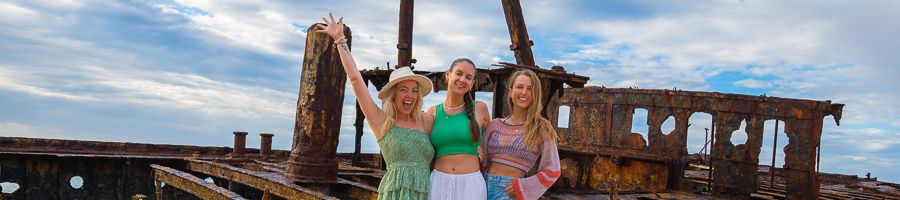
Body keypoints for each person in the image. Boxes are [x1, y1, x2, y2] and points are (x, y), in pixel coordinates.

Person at [316, 13, 434, 199]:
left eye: (414, 90)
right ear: (394, 94)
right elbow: (355, 79)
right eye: (403, 89)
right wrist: (340, 40)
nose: (410, 95)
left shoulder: (426, 120)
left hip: (426, 192)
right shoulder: (382, 121)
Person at [480, 69, 561, 200]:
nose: (524, 92)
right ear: (510, 92)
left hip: (509, 191)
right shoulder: (495, 125)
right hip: (482, 186)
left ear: (535, 95)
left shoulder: (540, 128)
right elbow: (482, 160)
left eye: (530, 89)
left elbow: (553, 169)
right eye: (519, 87)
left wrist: (524, 187)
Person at [427, 58, 492, 199]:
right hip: (438, 183)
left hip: (471, 185)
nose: (462, 79)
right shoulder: (432, 112)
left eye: (468, 77)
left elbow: (492, 140)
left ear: (472, 84)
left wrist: (483, 151)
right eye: (458, 73)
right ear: (447, 75)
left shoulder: (480, 108)